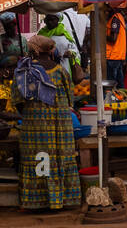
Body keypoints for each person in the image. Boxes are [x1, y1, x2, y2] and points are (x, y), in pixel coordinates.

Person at [11, 34, 83, 211]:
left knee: (39, 158)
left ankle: (38, 202)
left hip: (35, 126)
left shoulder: (25, 72)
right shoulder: (60, 71)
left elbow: (17, 100)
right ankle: (62, 199)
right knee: (60, 158)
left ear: (33, 50)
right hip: (61, 126)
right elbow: (69, 98)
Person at [105, 4, 127, 87]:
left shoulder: (115, 19)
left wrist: (101, 35)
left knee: (111, 85)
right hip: (117, 55)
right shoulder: (119, 17)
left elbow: (113, 38)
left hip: (113, 56)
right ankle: (121, 100)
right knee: (119, 85)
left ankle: (114, 100)